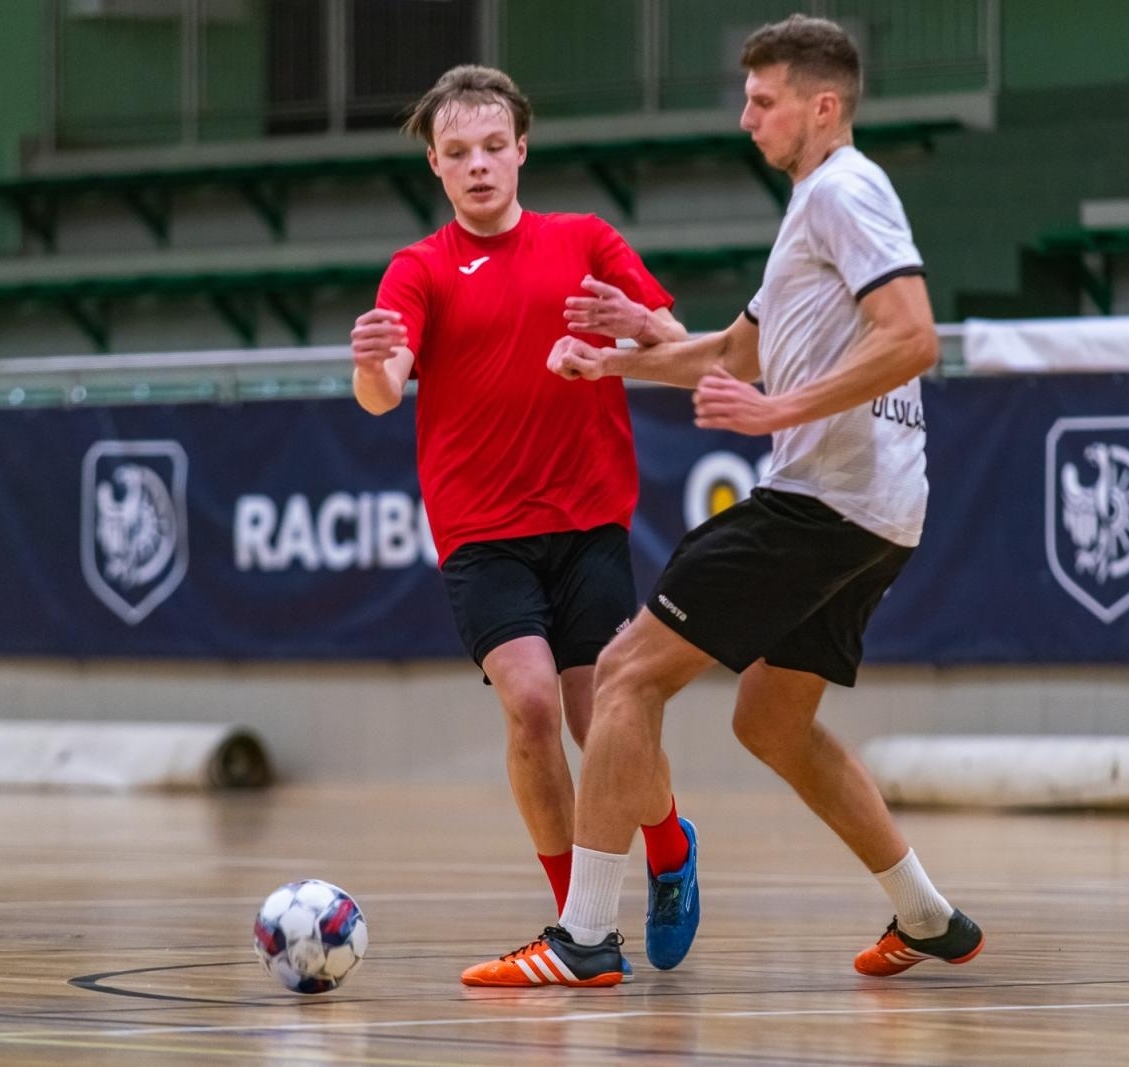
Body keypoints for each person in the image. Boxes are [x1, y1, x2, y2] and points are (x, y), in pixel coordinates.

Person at [461, 15, 983, 988]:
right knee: (769, 721)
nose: (745, 116)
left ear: (822, 106)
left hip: (823, 498)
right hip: (878, 513)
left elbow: (912, 336)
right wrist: (613, 360)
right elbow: (732, 351)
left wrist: (778, 409)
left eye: (764, 98)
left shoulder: (845, 190)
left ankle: (581, 937)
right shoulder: (810, 213)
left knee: (622, 675)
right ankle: (930, 916)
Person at [350, 65, 704, 978]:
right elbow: (384, 391)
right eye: (458, 152)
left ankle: (669, 849)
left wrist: (636, 326)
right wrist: (374, 366)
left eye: (493, 148)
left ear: (521, 151)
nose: (478, 166)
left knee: (606, 720)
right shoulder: (419, 268)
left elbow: (683, 342)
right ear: (435, 163)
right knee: (534, 705)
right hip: (479, 529)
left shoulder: (584, 239)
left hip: (587, 519)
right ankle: (575, 922)